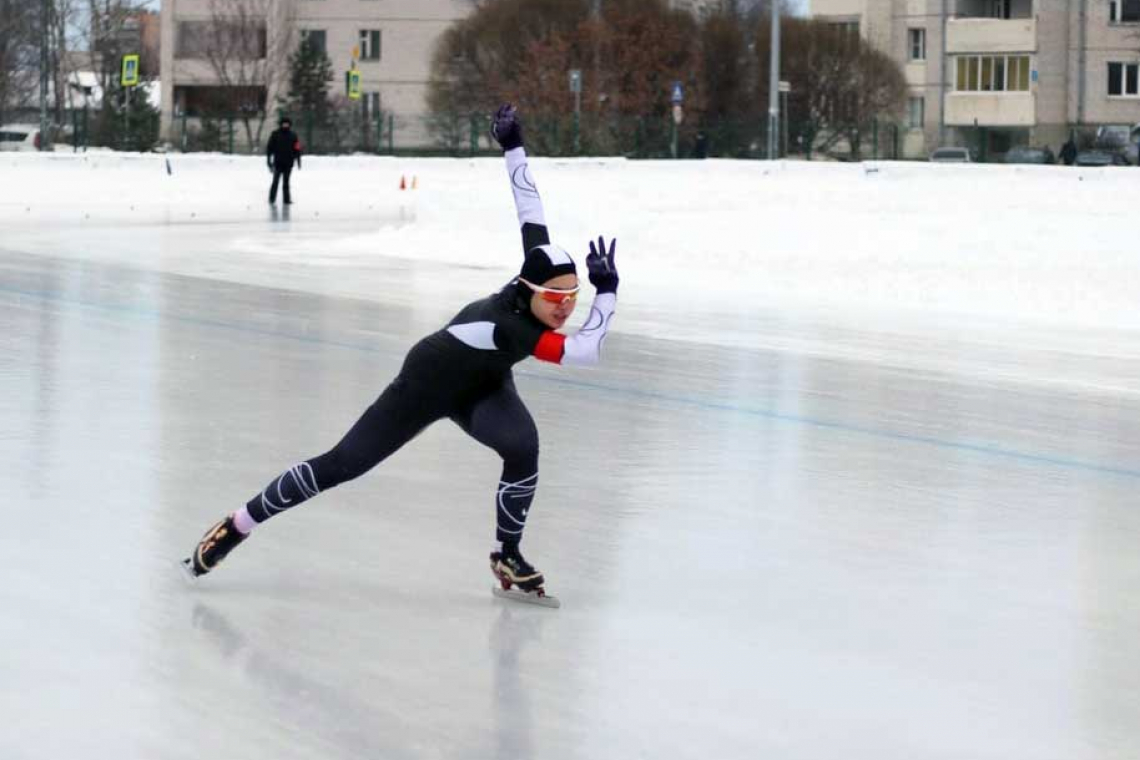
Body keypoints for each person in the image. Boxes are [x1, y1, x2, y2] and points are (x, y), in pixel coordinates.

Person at [182, 104, 620, 599]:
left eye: (574, 299)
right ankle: (238, 524)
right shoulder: (513, 329)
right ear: (530, 289)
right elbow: (585, 352)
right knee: (342, 464)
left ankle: (507, 554)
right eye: (557, 300)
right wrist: (608, 295)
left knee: (522, 448)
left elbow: (529, 207)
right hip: (425, 385)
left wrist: (513, 145)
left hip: (484, 383)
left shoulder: (533, 277)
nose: (565, 308)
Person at [267, 117, 302, 204]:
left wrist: (298, 161)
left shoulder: (293, 135)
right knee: (275, 181)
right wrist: (269, 161)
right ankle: (272, 199)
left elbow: (297, 149)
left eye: (287, 123)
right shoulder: (275, 134)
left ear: (289, 124)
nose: (285, 125)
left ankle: (286, 199)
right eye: (284, 123)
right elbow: (269, 148)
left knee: (286, 182)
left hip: (288, 163)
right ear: (281, 124)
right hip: (278, 163)